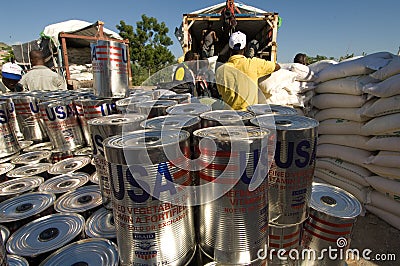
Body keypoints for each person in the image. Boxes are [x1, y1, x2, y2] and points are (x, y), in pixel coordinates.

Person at [215, 31, 280, 110]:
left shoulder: (220, 70)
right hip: (249, 115)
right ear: (245, 47)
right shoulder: (254, 64)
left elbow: (221, 93)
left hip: (229, 116)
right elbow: (276, 67)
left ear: (229, 48)